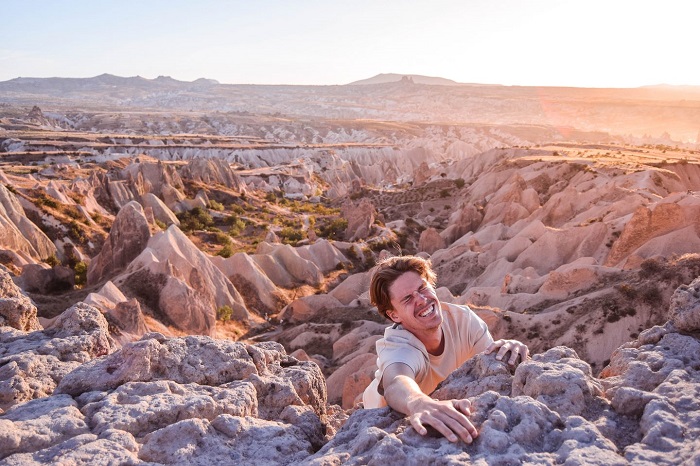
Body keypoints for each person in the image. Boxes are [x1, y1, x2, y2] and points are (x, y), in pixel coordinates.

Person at [362, 255, 529, 444]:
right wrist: (418, 402)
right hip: (383, 428)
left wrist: (507, 348)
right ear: (394, 315)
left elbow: (491, 368)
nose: (421, 299)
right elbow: (396, 380)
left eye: (422, 288)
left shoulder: (464, 321)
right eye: (408, 298)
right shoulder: (400, 346)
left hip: (442, 406)